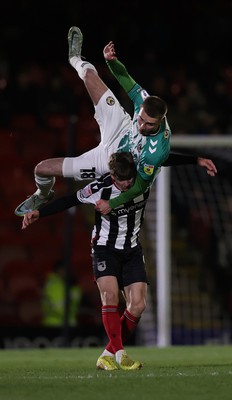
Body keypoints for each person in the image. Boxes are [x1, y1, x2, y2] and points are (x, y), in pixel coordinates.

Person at [14, 26, 217, 217]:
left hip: (108, 160)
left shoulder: (156, 152)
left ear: (160, 122)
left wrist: (113, 203)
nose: (142, 126)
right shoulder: (145, 103)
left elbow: (140, 187)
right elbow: (126, 79)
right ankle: (75, 58)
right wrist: (111, 62)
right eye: (141, 119)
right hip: (120, 128)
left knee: (41, 168)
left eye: (148, 125)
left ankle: (42, 196)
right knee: (90, 76)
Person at [22, 152, 146, 370]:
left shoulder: (144, 178)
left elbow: (162, 157)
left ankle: (107, 353)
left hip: (132, 249)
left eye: (130, 179)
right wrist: (39, 213)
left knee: (138, 305)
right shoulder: (99, 187)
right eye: (122, 180)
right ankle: (121, 354)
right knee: (110, 296)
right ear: (113, 176)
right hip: (104, 248)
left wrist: (197, 160)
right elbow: (70, 200)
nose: (127, 184)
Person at [42, 259, 82, 327]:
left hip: (68, 325)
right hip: (55, 325)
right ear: (58, 270)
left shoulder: (71, 285)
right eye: (64, 269)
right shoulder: (54, 285)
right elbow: (62, 310)